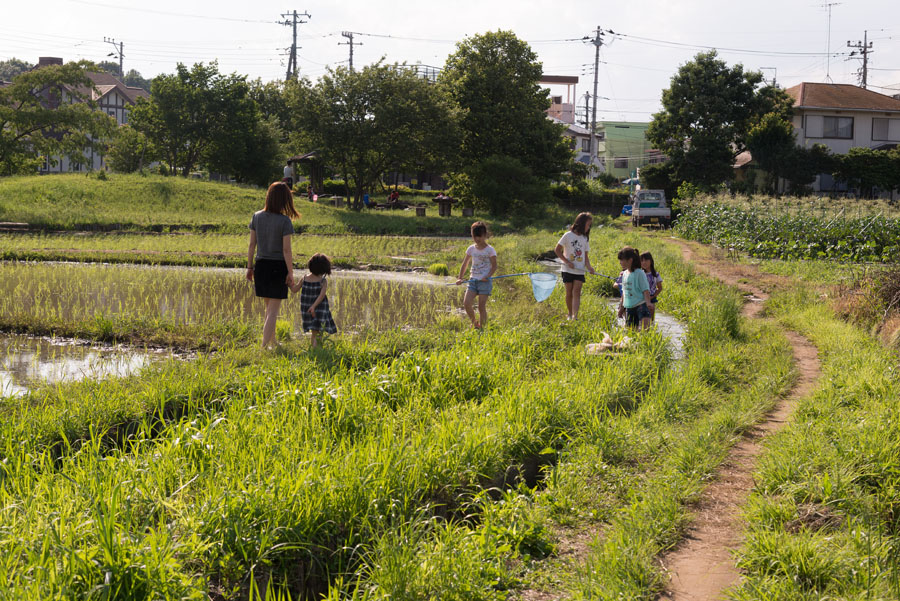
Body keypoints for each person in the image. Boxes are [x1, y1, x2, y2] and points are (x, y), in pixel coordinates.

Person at [247, 181, 299, 349]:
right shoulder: (284, 221)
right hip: (278, 267)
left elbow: (251, 245)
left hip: (260, 265)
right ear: (284, 200)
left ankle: (272, 340)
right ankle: (263, 346)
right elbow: (286, 250)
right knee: (273, 312)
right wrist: (290, 273)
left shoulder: (256, 216)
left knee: (269, 309)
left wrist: (249, 267)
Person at [555, 212, 596, 320]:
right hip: (567, 269)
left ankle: (575, 316)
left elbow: (586, 257)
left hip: (579, 270)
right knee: (569, 292)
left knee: (577, 292)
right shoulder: (567, 235)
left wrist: (589, 267)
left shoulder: (585, 238)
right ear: (581, 224)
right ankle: (569, 313)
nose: (589, 227)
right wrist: (566, 261)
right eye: (588, 225)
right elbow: (557, 250)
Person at [290, 253, 337, 348]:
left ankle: (315, 350)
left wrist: (289, 283)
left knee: (314, 332)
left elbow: (294, 290)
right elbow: (322, 295)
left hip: (306, 309)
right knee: (318, 333)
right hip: (318, 309)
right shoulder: (322, 281)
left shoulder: (304, 278)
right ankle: (317, 350)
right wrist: (314, 306)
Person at [456, 221, 497, 329]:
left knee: (481, 307)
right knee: (466, 303)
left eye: (479, 236)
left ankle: (483, 329)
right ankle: (475, 323)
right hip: (473, 280)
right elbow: (464, 264)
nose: (477, 239)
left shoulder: (490, 250)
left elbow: (494, 266)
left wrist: (487, 276)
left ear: (485, 235)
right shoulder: (471, 249)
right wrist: (460, 278)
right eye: (475, 236)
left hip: (485, 282)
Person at [617, 246, 652, 330]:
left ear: (630, 260)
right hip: (629, 307)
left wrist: (648, 303)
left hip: (641, 305)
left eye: (622, 260)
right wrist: (621, 307)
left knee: (646, 331)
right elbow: (624, 292)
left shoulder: (639, 273)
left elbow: (645, 290)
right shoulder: (624, 274)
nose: (620, 262)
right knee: (631, 334)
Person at [641, 251, 663, 322]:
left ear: (651, 261)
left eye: (646, 260)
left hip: (652, 298)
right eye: (642, 260)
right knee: (642, 319)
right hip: (641, 299)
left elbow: (660, 288)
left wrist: (652, 296)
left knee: (651, 320)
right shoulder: (640, 273)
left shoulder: (655, 274)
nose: (644, 262)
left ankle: (651, 331)